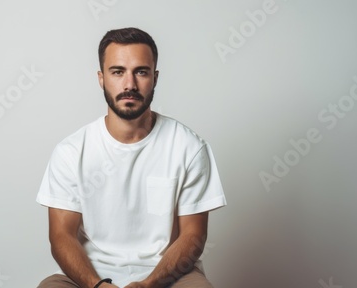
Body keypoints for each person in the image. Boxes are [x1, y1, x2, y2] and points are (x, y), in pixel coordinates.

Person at [36, 27, 227, 288]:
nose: (130, 84)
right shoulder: (71, 152)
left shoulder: (188, 147)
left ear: (155, 78)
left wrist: (148, 284)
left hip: (168, 276)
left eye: (141, 72)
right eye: (118, 72)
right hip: (90, 276)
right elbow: (61, 236)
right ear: (101, 79)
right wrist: (97, 285)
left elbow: (193, 236)